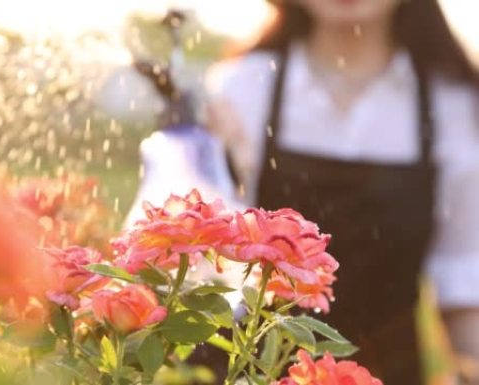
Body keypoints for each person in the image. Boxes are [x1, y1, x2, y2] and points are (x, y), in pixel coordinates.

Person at [128, 1, 479, 384]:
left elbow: (465, 284)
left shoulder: (455, 106)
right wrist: (222, 173)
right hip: (251, 372)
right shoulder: (243, 86)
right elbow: (202, 269)